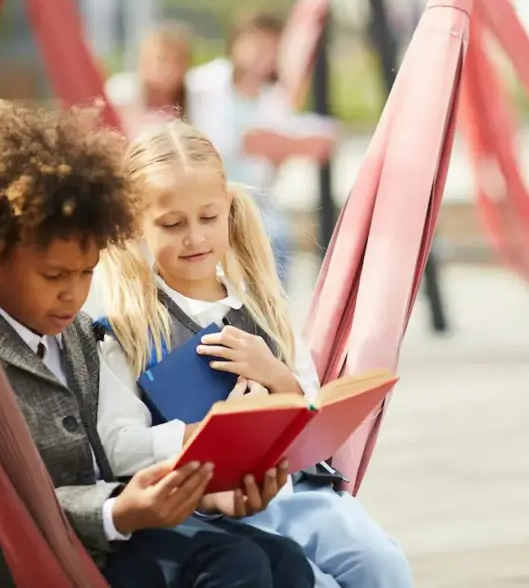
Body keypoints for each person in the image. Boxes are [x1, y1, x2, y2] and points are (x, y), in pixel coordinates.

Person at [0, 101, 315, 588]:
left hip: (124, 536)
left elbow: (116, 456)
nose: (74, 293)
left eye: (86, 273)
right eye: (55, 275)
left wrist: (211, 495)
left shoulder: (81, 332)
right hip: (19, 564)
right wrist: (116, 512)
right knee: (233, 566)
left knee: (285, 562)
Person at [95, 120, 413, 588]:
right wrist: (208, 435)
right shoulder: (127, 328)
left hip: (296, 494)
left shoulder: (263, 304)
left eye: (208, 218)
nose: (195, 237)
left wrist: (275, 375)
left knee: (383, 566)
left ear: (229, 209)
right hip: (210, 512)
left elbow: (308, 405)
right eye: (171, 224)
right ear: (135, 226)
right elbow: (118, 445)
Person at [188, 10, 333, 287]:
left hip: (255, 197)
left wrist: (274, 144)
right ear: (236, 43)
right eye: (255, 45)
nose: (260, 55)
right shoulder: (205, 84)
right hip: (207, 194)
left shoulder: (274, 98)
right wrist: (269, 143)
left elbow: (307, 143)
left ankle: (268, 317)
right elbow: (225, 142)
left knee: (275, 243)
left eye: (270, 48)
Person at [106, 22, 194, 136]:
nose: (168, 69)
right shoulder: (118, 96)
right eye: (161, 60)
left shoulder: (195, 102)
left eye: (177, 61)